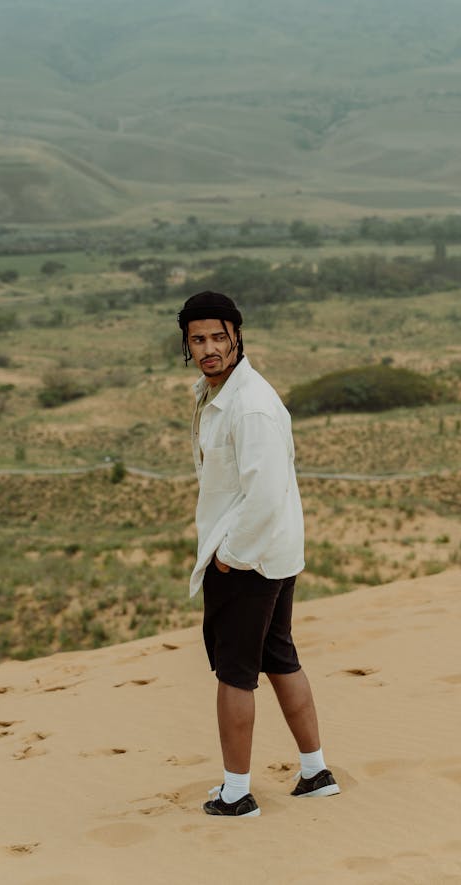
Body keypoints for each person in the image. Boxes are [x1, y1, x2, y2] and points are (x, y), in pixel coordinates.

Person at [178, 289, 340, 818]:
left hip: (250, 557)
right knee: (278, 656)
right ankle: (315, 772)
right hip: (270, 552)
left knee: (234, 673)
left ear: (237, 337)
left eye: (218, 337)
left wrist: (231, 555)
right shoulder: (216, 393)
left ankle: (235, 794)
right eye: (198, 338)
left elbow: (266, 493)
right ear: (186, 343)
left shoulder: (249, 406)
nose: (209, 348)